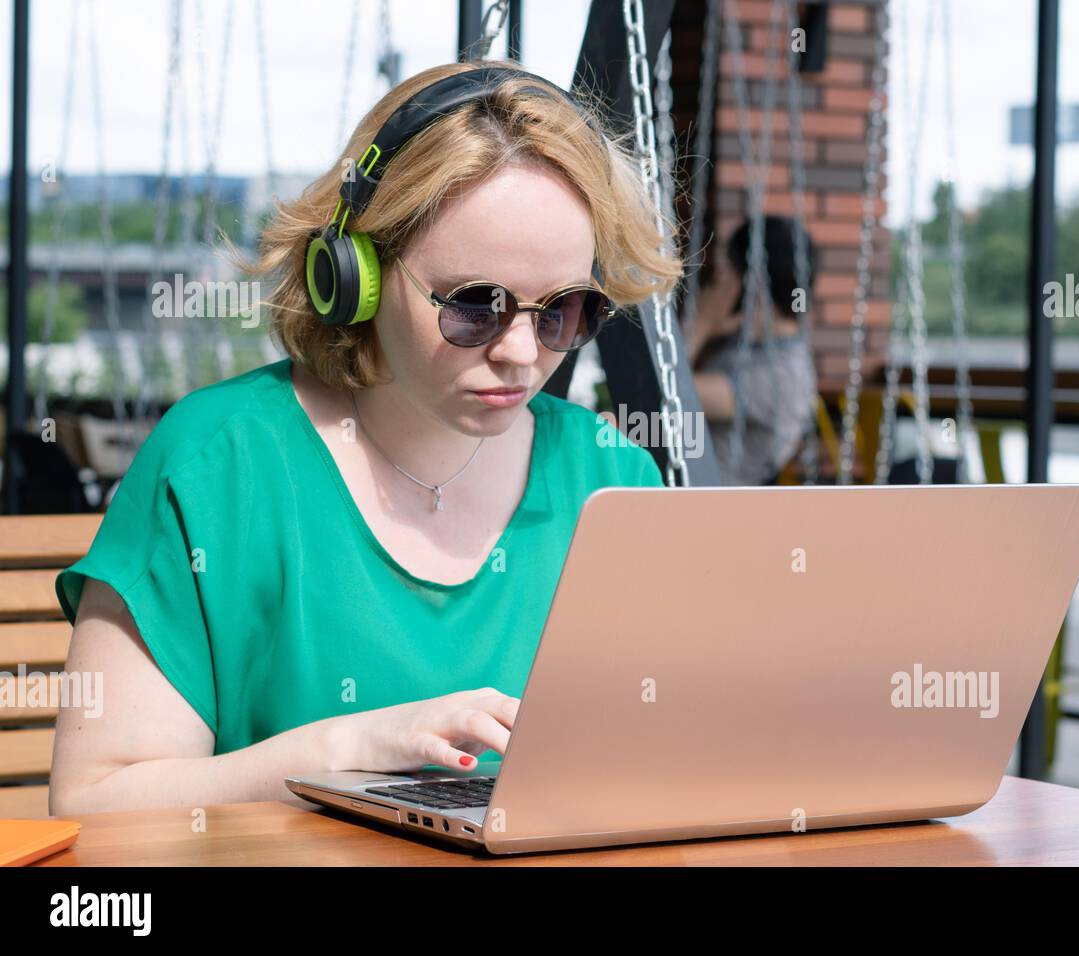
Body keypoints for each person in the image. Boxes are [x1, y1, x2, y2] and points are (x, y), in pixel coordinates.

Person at [48, 62, 680, 813]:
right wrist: (340, 753)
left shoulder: (610, 478)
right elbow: (94, 805)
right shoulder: (220, 465)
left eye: (562, 311)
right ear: (353, 276)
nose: (521, 352)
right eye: (476, 306)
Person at [688, 215, 820, 485]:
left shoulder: (781, 373)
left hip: (712, 513)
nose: (718, 279)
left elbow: (663, 396)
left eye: (728, 269)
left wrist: (701, 323)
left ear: (753, 281)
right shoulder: (752, 345)